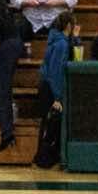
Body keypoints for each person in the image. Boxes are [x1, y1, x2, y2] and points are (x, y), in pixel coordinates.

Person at [30, 10, 75, 168]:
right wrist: (57, 97)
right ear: (68, 25)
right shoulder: (61, 44)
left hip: (46, 86)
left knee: (47, 123)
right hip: (51, 88)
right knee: (51, 124)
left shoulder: (56, 40)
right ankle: (44, 159)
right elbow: (56, 72)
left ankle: (41, 157)